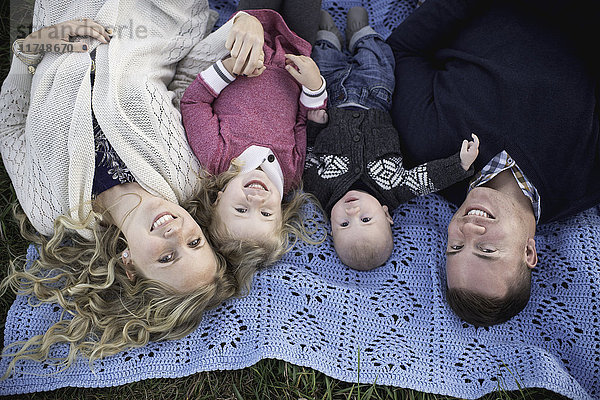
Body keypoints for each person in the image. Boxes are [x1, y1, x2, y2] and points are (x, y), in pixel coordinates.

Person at [0, 0, 266, 377]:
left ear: (128, 265)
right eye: (194, 243)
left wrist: (35, 46)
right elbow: (184, 80)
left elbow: (11, 124)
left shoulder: (51, 211)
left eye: (166, 258)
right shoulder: (185, 174)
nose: (177, 234)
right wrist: (241, 28)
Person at [386, 0, 600, 325]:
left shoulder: (431, 148)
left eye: (456, 246)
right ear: (529, 253)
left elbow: (402, 52)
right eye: (486, 250)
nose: (469, 230)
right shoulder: (585, 178)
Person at [303, 7, 479, 271]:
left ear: (330, 226)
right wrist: (460, 165)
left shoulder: (318, 188)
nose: (352, 213)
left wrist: (314, 126)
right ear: (386, 215)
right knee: (380, 60)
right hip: (375, 97)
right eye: (366, 219)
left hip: (329, 97)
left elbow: (307, 153)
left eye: (344, 224)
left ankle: (327, 37)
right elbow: (426, 178)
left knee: (322, 58)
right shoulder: (393, 188)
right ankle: (362, 34)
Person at [180, 0, 327, 266]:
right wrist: (315, 87)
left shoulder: (216, 157)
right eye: (266, 213)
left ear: (218, 201)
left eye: (241, 209)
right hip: (295, 47)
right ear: (282, 213)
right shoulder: (291, 174)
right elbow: (302, 123)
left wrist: (228, 69)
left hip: (249, 39)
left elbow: (193, 104)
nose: (256, 199)